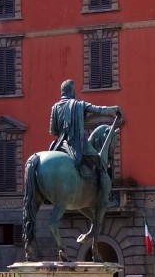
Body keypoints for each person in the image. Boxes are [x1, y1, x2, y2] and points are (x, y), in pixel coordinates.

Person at [48, 78, 122, 207]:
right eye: (74, 89)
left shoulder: (54, 108)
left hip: (59, 145)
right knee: (101, 165)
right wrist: (113, 109)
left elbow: (53, 130)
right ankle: (107, 199)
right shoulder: (78, 104)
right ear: (71, 90)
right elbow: (98, 110)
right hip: (76, 143)